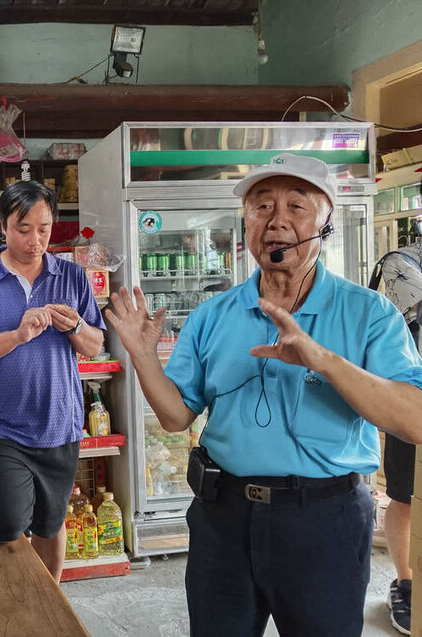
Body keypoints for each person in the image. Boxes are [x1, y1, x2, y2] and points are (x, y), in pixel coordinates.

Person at [106, 154, 422, 636]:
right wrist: (144, 356)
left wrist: (324, 361)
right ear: (246, 224)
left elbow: (414, 421)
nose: (277, 220)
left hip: (325, 520)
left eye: (297, 205)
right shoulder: (213, 315)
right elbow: (175, 418)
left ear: (327, 222)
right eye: (261, 207)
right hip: (223, 517)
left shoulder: (370, 314)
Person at [0, 180, 105, 581]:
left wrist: (74, 325)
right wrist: (17, 335)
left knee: (50, 525)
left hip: (60, 423)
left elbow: (94, 346)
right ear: (2, 226)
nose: (35, 240)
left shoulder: (72, 277)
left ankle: (48, 603)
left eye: (44, 228)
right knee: (3, 523)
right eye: (23, 229)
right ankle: (2, 599)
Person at [371, 234, 422, 635]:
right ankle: (406, 583)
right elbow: (403, 315)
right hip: (413, 395)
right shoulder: (402, 262)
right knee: (405, 494)